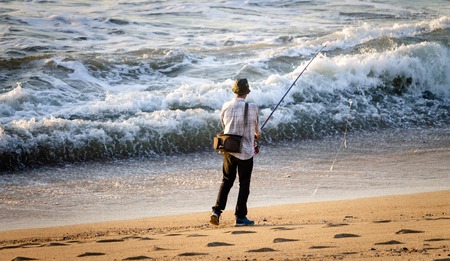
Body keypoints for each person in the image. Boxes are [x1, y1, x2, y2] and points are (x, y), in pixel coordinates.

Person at [210, 78, 260, 226]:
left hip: (230, 149)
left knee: (226, 181)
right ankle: (240, 216)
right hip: (246, 151)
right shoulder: (253, 107)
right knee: (244, 184)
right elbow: (257, 130)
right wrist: (257, 134)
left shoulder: (226, 106)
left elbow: (224, 125)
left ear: (235, 91)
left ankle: (216, 212)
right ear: (246, 92)